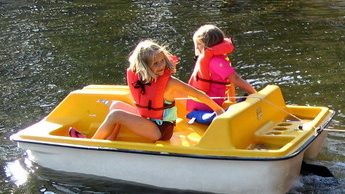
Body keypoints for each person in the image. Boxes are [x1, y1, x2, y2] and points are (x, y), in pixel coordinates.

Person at [72, 40, 226, 142]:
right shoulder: (142, 77)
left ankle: (90, 144)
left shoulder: (170, 83)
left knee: (116, 115)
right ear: (144, 67)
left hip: (161, 129)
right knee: (116, 106)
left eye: (161, 61)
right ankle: (108, 141)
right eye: (155, 64)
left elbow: (198, 94)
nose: (160, 66)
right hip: (150, 120)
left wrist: (218, 110)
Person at [185, 24, 257, 124]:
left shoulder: (216, 60)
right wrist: (255, 94)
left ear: (209, 45)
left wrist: (232, 100)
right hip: (204, 108)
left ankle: (230, 109)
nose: (197, 47)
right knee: (203, 117)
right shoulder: (216, 60)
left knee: (238, 105)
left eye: (199, 44)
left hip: (207, 105)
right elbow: (234, 79)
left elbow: (232, 80)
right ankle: (213, 115)